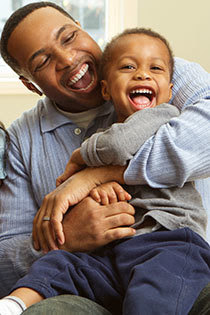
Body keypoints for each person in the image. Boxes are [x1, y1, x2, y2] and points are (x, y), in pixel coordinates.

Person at [0, 1, 210, 313]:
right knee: (50, 300)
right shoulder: (22, 138)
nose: (68, 59)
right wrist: (64, 236)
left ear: (84, 31)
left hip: (174, 261)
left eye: (69, 37)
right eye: (43, 60)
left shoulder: (157, 71)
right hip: (97, 274)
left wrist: (93, 175)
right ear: (31, 84)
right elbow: (5, 256)